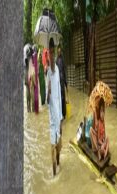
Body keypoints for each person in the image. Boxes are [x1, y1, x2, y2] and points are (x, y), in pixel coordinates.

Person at [46, 38, 63, 177]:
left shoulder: (57, 69)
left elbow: (60, 92)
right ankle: (54, 176)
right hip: (52, 120)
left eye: (53, 52)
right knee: (52, 148)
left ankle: (58, 166)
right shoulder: (47, 73)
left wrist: (62, 117)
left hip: (59, 118)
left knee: (59, 149)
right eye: (50, 53)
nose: (52, 56)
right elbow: (47, 101)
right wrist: (48, 91)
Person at [56, 45, 68, 118]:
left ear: (61, 52)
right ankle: (60, 114)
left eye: (60, 51)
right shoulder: (56, 60)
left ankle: (64, 114)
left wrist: (66, 85)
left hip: (62, 81)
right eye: (58, 51)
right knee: (59, 98)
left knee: (63, 97)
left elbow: (64, 72)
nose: (59, 52)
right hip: (58, 82)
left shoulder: (62, 60)